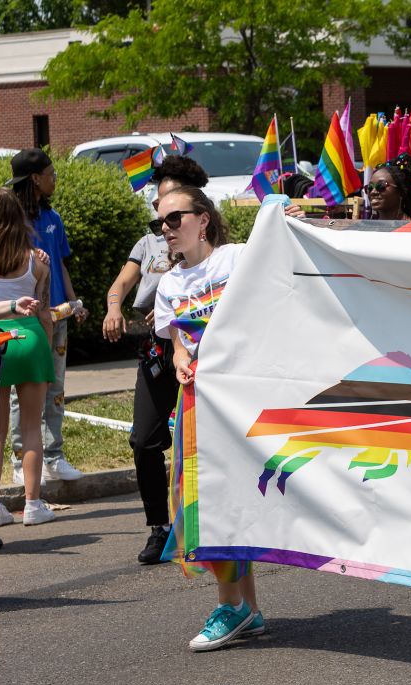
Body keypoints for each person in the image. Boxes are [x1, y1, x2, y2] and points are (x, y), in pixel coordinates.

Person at [153, 185, 266, 651]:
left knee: (224, 499)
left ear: (203, 219)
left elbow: (282, 255)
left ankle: (233, 607)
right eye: (158, 222)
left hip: (241, 397)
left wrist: (285, 209)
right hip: (199, 402)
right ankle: (248, 610)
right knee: (204, 498)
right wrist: (179, 351)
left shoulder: (237, 259)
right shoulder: (168, 284)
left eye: (174, 218)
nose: (165, 228)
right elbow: (176, 334)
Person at [102, 155, 207, 565]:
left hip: (199, 348)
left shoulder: (205, 242)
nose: (163, 221)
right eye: (158, 210)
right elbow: (123, 283)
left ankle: (209, 525)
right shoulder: (148, 243)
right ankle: (158, 527)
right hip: (156, 350)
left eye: (172, 209)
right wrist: (114, 306)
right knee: (144, 439)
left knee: (201, 442)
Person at [6, 149, 88, 485]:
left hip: (58, 316)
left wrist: (73, 301)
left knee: (56, 386)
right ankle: (18, 461)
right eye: (51, 173)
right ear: (35, 179)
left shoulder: (53, 219)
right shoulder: (13, 223)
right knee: (19, 393)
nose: (55, 178)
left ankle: (54, 456)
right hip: (27, 319)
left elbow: (61, 264)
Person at [0, 188, 59, 527]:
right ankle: (33, 504)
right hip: (30, 336)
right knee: (32, 427)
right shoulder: (37, 261)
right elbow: (45, 312)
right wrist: (45, 350)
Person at [367, 153, 411, 221]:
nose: (373, 192)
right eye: (370, 187)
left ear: (400, 192)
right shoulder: (365, 228)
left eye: (381, 186)